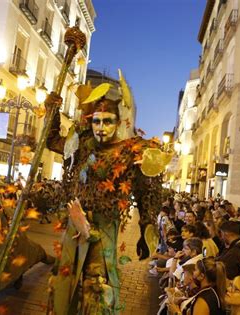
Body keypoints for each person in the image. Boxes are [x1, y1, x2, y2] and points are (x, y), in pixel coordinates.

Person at [45, 88, 164, 314]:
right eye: (97, 121)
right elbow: (52, 141)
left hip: (104, 227)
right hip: (75, 224)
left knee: (96, 284)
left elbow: (146, 190)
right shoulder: (82, 143)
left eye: (108, 122)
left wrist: (146, 226)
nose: (101, 128)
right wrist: (52, 109)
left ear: (118, 123)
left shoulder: (132, 151)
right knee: (65, 277)